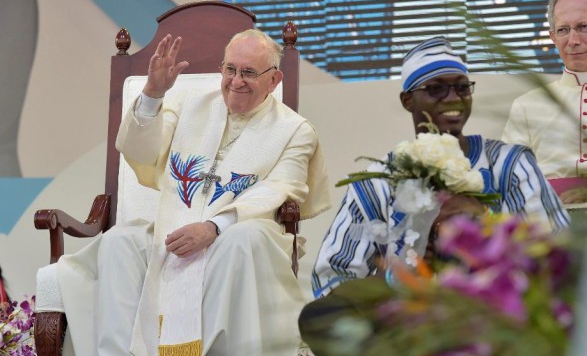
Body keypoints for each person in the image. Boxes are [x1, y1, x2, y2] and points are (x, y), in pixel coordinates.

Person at [52, 29, 331, 355]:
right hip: (174, 231)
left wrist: (215, 227)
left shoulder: (296, 130)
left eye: (249, 72)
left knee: (244, 239)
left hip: (237, 235)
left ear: (274, 79)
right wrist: (154, 93)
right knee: (118, 241)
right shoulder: (190, 105)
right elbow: (139, 152)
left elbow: (280, 189)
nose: (236, 81)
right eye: (230, 69)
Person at [300, 36, 570, 355]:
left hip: (497, 313)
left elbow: (558, 254)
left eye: (461, 87)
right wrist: (394, 279)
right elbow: (334, 273)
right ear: (407, 100)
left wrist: (484, 225)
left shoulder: (508, 165)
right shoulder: (376, 183)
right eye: (436, 89)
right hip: (405, 323)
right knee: (319, 316)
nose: (453, 97)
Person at [502, 0, 587, 204]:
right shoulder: (527, 106)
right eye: (563, 30)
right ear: (553, 38)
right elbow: (508, 177)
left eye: (583, 26)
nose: (573, 41)